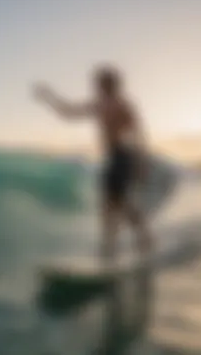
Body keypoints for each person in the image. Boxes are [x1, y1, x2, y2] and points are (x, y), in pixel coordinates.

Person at [32, 64, 153, 264]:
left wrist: (141, 163)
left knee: (117, 204)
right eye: (97, 82)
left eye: (100, 82)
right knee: (111, 206)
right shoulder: (100, 105)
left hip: (123, 156)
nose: (96, 86)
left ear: (110, 84)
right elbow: (68, 113)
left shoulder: (123, 105)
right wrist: (48, 96)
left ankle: (133, 245)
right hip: (112, 158)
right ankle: (116, 249)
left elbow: (139, 134)